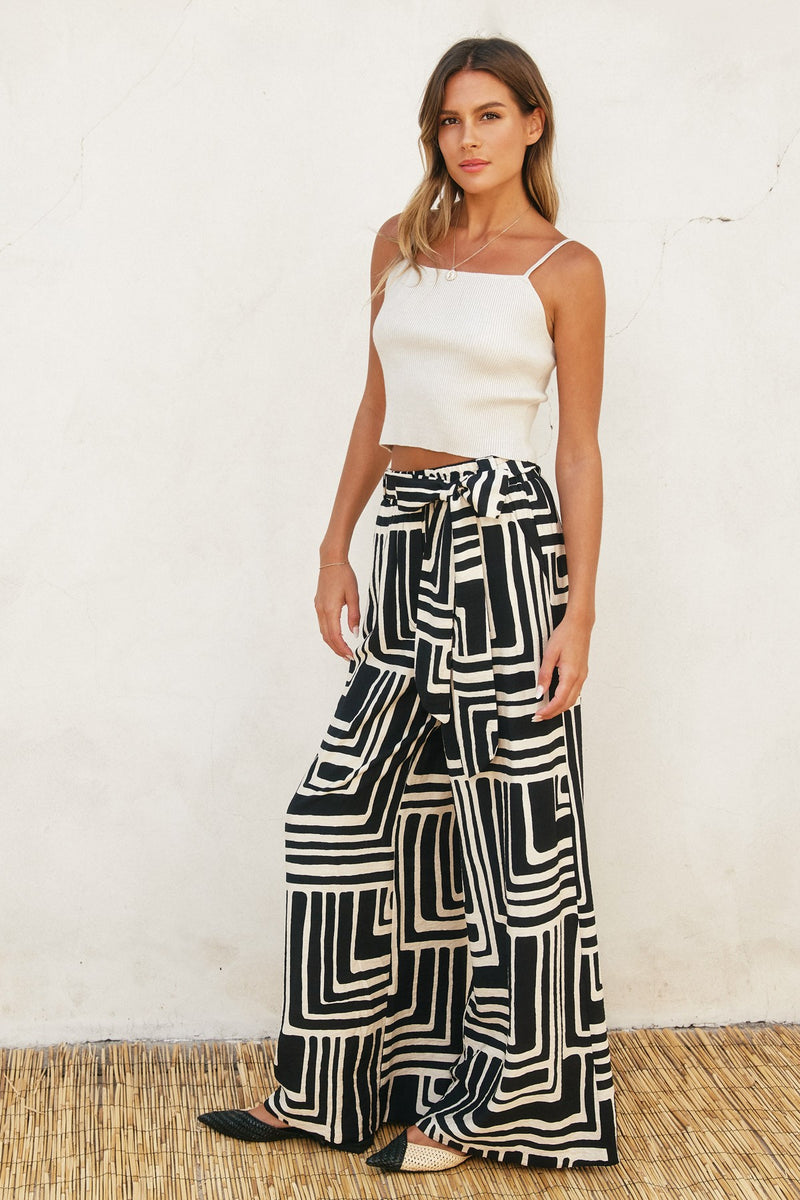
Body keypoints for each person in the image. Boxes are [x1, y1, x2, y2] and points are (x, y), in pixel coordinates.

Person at [198, 34, 619, 1175]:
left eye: (489, 115)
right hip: (405, 538)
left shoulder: (564, 269)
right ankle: (328, 1090)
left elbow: (577, 451)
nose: (467, 138)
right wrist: (334, 543)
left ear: (532, 123)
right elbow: (376, 402)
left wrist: (578, 611)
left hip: (503, 544)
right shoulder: (401, 244)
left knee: (511, 841)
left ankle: (497, 1107)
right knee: (336, 812)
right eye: (449, 119)